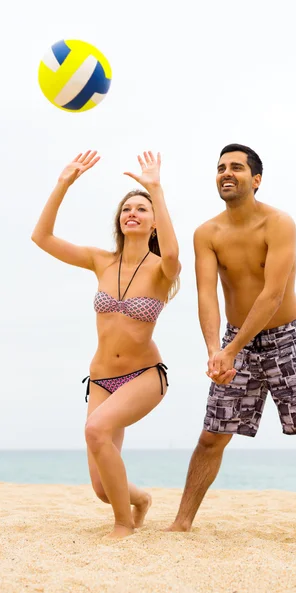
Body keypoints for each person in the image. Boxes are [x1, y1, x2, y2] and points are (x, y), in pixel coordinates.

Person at [167, 143, 296, 543]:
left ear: (256, 180)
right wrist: (213, 352)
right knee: (211, 436)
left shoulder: (279, 223)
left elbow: (273, 294)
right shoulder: (206, 233)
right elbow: (206, 295)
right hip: (234, 344)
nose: (226, 173)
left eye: (236, 167)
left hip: (287, 339)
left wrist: (230, 350)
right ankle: (182, 521)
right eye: (221, 167)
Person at [32, 150, 180, 539]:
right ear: (119, 220)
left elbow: (175, 253)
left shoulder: (163, 271)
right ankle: (140, 500)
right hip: (100, 380)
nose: (133, 212)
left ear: (152, 224)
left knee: (95, 430)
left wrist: (156, 190)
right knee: (101, 488)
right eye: (127, 208)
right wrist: (63, 183)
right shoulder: (100, 261)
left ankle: (123, 525)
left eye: (142, 209)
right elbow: (41, 237)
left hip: (145, 376)